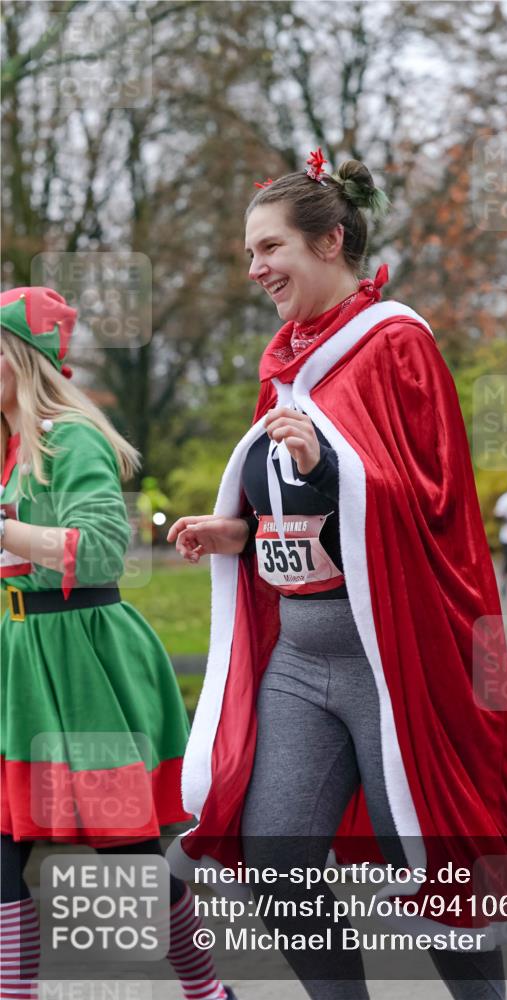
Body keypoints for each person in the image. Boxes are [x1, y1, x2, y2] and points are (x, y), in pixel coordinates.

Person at [168, 152, 507, 1000]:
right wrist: (234, 529)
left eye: (269, 248)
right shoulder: (283, 361)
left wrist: (327, 469)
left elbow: (430, 499)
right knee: (275, 863)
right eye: (249, 253)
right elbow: (293, 507)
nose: (255, 269)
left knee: (436, 864)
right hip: (298, 662)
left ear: (330, 240)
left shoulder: (396, 344)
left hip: (392, 662)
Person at [0, 288, 234, 1000]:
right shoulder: (6, 444)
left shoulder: (72, 438)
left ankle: (207, 992)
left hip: (81, 665)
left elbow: (102, 551)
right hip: (16, 663)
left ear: (18, 359)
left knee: (128, 851)